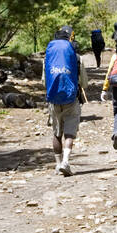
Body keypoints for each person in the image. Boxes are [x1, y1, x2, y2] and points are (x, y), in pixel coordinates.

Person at [43, 25, 88, 176]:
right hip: (71, 99)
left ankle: (57, 164)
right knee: (69, 132)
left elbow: (44, 80)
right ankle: (66, 162)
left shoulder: (49, 57)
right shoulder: (75, 56)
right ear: (70, 38)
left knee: (57, 133)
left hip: (54, 100)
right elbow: (84, 82)